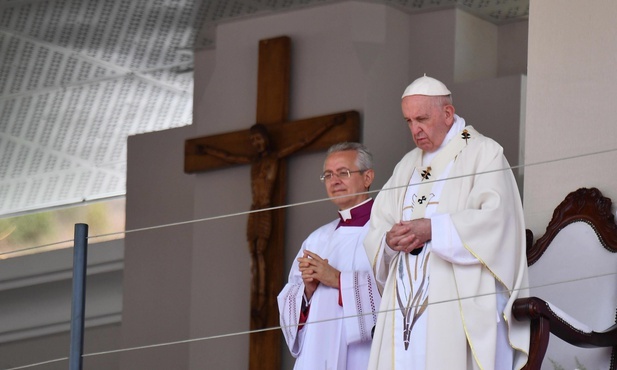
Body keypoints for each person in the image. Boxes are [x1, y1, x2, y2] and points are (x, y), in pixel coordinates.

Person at [364, 75, 530, 370]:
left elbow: (496, 221)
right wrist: (389, 241)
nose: (415, 130)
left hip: (456, 302)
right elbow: (379, 225)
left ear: (448, 114)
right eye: (409, 121)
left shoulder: (483, 153)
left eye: (422, 119)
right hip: (404, 306)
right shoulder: (406, 166)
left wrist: (432, 229)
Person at [198, 120, 341, 327]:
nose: (256, 143)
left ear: (266, 139)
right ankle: (257, 294)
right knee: (253, 254)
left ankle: (263, 294)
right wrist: (207, 150)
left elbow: (303, 141)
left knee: (262, 252)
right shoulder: (253, 161)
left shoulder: (274, 157)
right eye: (252, 140)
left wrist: (327, 126)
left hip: (266, 209)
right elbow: (228, 156)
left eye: (258, 138)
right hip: (254, 210)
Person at [278, 142, 381, 370]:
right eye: (328, 175)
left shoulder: (386, 231)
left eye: (343, 173)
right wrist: (307, 290)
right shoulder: (316, 239)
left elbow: (398, 292)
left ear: (367, 177)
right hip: (316, 353)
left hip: (363, 356)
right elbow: (291, 302)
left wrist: (337, 279)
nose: (334, 181)